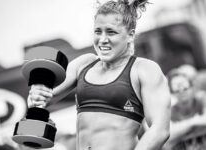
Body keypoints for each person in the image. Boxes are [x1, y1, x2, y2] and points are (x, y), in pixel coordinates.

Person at [28, 0, 171, 149]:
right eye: (98, 31)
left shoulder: (144, 69)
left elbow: (160, 130)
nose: (102, 39)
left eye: (111, 32)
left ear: (130, 35)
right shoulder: (84, 64)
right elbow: (39, 101)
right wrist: (36, 93)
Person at [164, 69, 206, 150]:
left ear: (192, 87)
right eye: (177, 90)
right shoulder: (169, 112)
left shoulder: (203, 99)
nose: (182, 91)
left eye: (185, 88)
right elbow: (167, 137)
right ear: (171, 93)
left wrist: (181, 132)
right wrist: (193, 122)